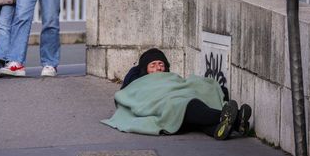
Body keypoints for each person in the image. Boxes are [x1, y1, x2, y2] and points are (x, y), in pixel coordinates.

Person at [103, 48, 252, 140]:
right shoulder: (139, 82)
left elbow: (181, 84)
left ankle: (224, 128)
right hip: (167, 105)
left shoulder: (171, 77)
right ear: (145, 69)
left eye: (161, 64)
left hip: (180, 103)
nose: (158, 68)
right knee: (184, 104)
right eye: (152, 65)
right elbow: (128, 93)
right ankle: (235, 118)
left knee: (193, 107)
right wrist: (136, 70)